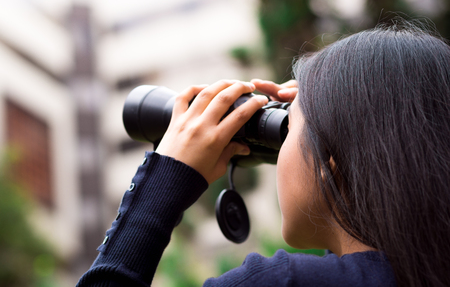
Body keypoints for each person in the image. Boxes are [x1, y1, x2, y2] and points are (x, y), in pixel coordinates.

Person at [77, 20, 450, 286]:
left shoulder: (281, 282)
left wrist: (164, 179)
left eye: (289, 129)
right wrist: (319, 107)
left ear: (329, 165)